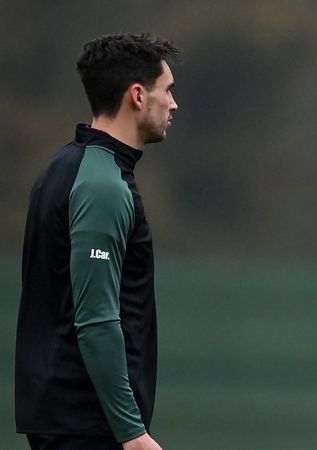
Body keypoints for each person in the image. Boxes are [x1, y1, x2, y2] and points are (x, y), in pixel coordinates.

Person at [15, 33, 179, 450]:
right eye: (168, 91)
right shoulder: (101, 185)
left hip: (71, 420)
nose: (174, 104)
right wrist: (131, 432)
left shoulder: (65, 167)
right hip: (89, 427)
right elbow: (96, 320)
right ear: (138, 96)